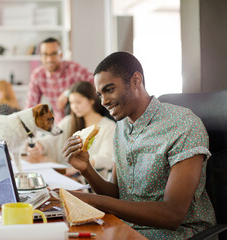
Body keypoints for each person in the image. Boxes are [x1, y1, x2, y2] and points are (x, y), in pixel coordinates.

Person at [62, 52, 216, 239]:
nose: (103, 102)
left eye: (109, 90)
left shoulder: (183, 124)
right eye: (99, 94)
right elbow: (118, 195)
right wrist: (86, 169)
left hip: (179, 233)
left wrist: (92, 200)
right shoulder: (122, 127)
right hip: (129, 228)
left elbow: (172, 215)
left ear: (136, 80)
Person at [27, 81, 116, 178]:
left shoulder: (109, 126)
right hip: (67, 175)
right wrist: (40, 146)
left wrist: (82, 164)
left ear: (91, 100)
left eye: (78, 102)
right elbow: (51, 139)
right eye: (71, 103)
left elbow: (108, 158)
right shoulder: (69, 121)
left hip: (90, 180)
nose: (74, 107)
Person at [25, 37, 94, 123]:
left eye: (54, 54)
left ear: (60, 54)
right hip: (59, 124)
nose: (49, 59)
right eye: (45, 54)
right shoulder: (37, 75)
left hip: (81, 121)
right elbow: (31, 107)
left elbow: (95, 83)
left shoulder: (73, 68)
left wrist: (68, 93)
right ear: (41, 56)